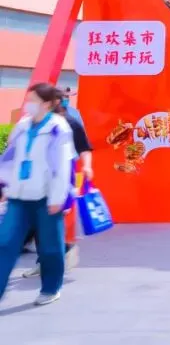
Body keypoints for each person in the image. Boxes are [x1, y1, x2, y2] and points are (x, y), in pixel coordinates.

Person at [0, 83, 77, 307]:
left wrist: (57, 198)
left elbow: (62, 166)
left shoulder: (58, 128)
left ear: (47, 104)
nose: (28, 104)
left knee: (50, 247)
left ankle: (51, 288)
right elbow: (9, 157)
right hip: (18, 197)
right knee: (5, 244)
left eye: (33, 100)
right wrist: (4, 186)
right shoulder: (23, 125)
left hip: (46, 198)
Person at [22, 91, 93, 278]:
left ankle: (60, 253)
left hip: (59, 178)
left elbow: (84, 148)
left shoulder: (69, 122)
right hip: (36, 178)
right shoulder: (35, 122)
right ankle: (49, 259)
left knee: (47, 221)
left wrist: (87, 166)